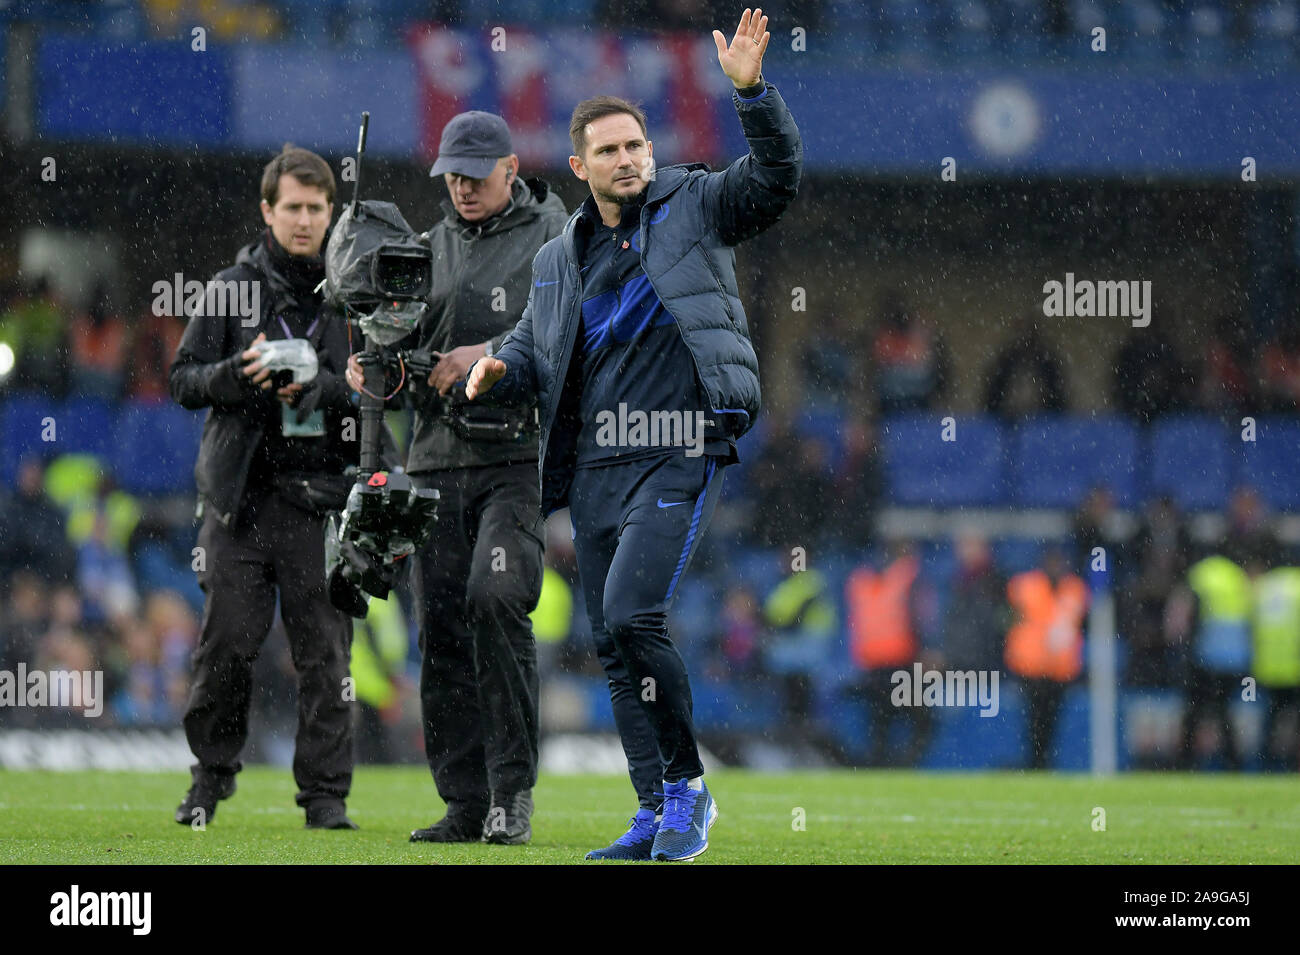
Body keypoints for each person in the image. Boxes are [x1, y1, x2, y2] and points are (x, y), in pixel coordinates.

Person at [466, 7, 801, 860]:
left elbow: (776, 179)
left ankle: (690, 791)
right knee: (614, 645)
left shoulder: (693, 201)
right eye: (608, 149)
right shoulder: (559, 258)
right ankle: (652, 809)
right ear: (580, 166)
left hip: (679, 451)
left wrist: (752, 93)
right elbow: (539, 343)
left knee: (631, 613)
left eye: (635, 144)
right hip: (595, 469)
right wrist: (500, 362)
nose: (627, 158)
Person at [347, 111, 567, 845]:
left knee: (496, 597)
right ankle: (465, 801)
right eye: (453, 176)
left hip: (514, 460)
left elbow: (568, 328)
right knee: (440, 627)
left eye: (477, 175)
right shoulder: (424, 249)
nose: (463, 187)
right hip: (436, 463)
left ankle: (511, 791)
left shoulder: (553, 237)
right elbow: (404, 359)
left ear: (512, 169)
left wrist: (491, 349)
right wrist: (373, 363)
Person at [169, 145, 390, 830]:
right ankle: (209, 778)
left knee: (326, 656)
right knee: (227, 643)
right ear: (267, 210)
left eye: (315, 208)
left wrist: (321, 388)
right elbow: (182, 379)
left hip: (320, 502)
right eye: (291, 207)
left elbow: (382, 394)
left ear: (332, 213)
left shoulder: (355, 290)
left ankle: (325, 799)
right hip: (241, 503)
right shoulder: (230, 285)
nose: (303, 220)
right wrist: (237, 374)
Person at [1004, 546, 1089, 769]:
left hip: (1061, 669)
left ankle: (1043, 761)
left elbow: (1081, 624)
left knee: (1051, 720)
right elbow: (1007, 618)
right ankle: (1035, 760)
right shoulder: (1025, 586)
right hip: (1030, 667)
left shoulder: (1075, 589)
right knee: (1033, 719)